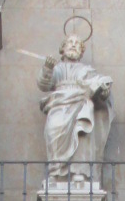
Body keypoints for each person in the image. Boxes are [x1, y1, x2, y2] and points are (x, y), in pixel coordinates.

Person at [38, 33, 113, 177]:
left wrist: (103, 88)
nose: (73, 45)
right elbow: (43, 84)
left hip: (81, 106)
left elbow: (100, 89)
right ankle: (57, 172)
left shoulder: (87, 71)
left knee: (82, 132)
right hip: (58, 106)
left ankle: (80, 172)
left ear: (81, 51)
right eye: (70, 42)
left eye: (77, 44)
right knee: (55, 130)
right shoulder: (57, 69)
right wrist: (47, 68)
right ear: (63, 48)